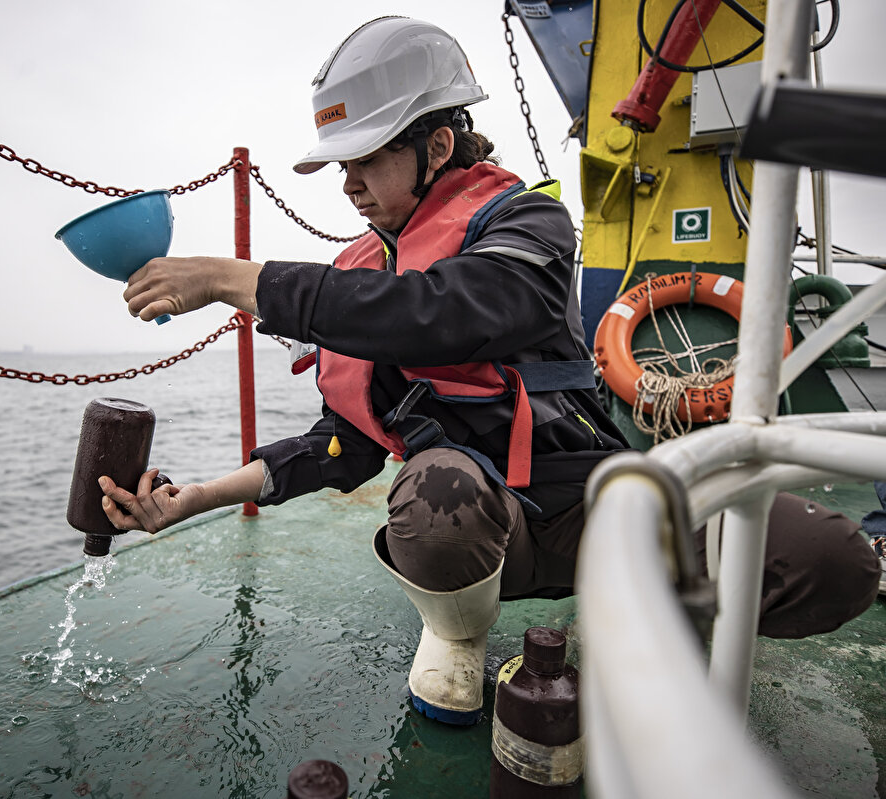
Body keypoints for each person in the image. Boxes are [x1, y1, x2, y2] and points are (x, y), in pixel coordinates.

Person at [98, 17, 880, 726]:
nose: (348, 184)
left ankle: (655, 604)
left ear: (437, 146)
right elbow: (344, 443)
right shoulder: (358, 275)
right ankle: (459, 632)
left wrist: (241, 279)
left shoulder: (527, 223)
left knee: (834, 562)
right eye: (343, 165)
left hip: (599, 503)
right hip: (481, 526)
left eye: (366, 158)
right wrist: (196, 496)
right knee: (435, 491)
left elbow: (450, 310)